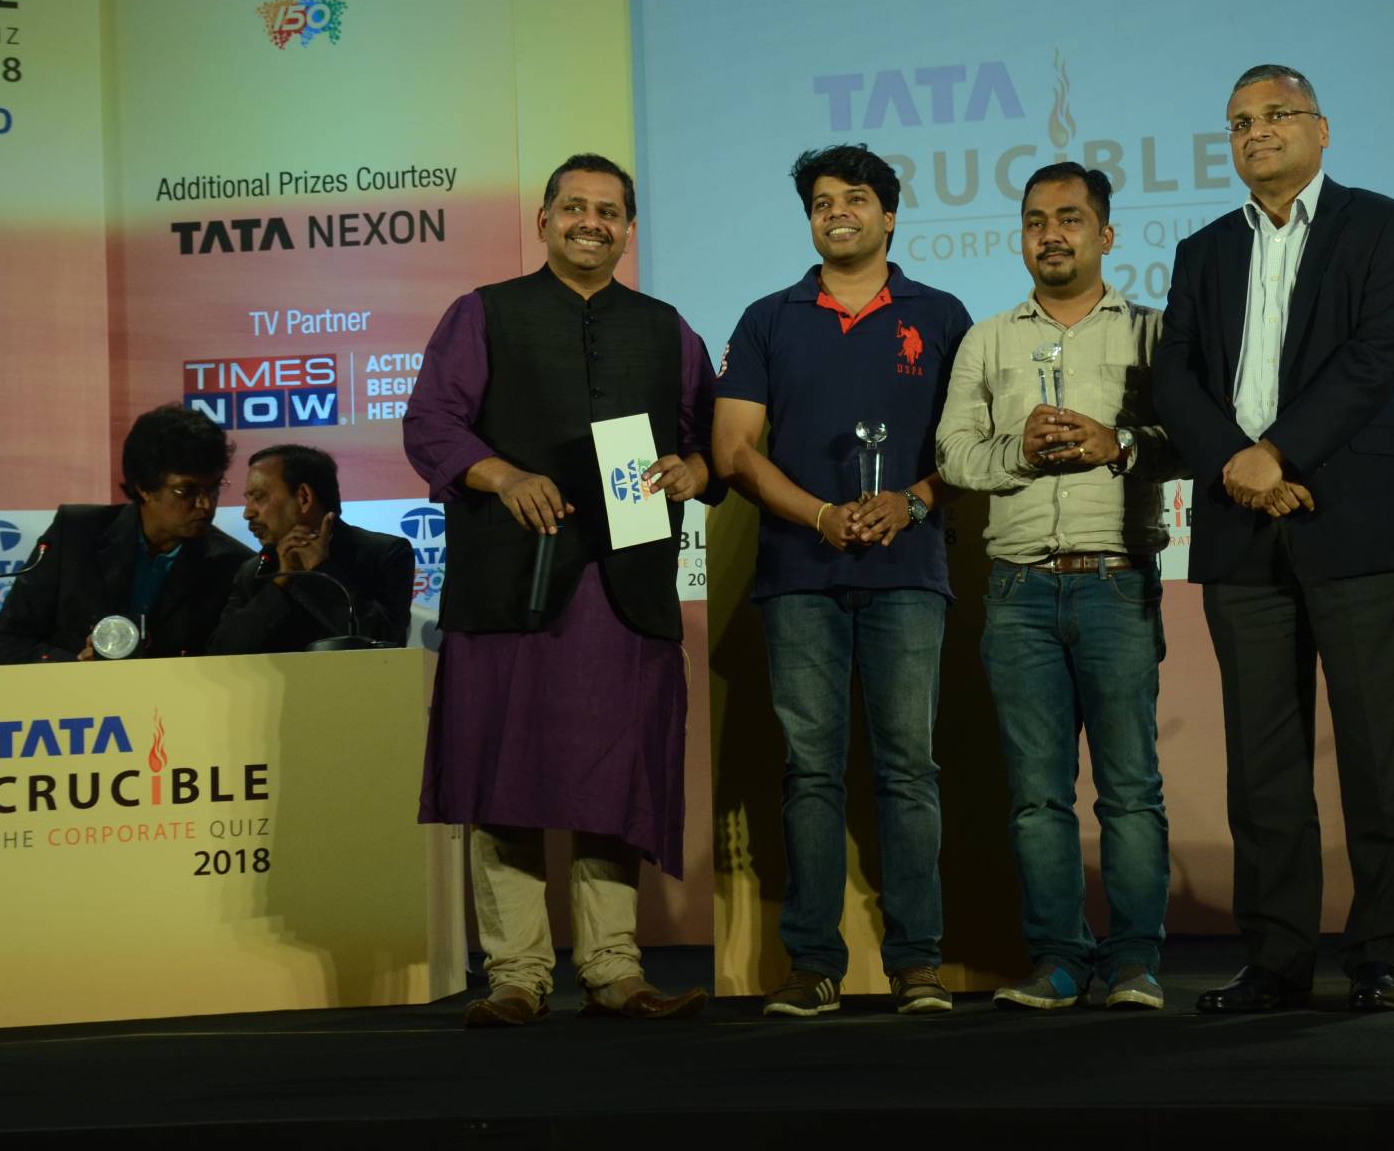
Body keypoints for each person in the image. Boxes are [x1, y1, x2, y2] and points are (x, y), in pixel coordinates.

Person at [1152, 65, 1394, 1012]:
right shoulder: (1203, 251)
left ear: (1322, 128)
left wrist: (1276, 451)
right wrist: (1237, 464)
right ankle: (1276, 957)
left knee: (1381, 754)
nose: (1258, 132)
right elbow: (1174, 377)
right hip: (1241, 527)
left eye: (1277, 114)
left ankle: (1384, 954)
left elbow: (1382, 352)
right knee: (1263, 764)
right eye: (1240, 121)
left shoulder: (1382, 224)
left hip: (1356, 519)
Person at [403, 153, 719, 1027]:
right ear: (543, 220)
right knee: (504, 773)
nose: (591, 222)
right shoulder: (485, 313)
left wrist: (692, 471)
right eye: (574, 207)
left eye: (608, 211)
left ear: (629, 230)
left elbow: (708, 440)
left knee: (613, 777)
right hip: (512, 581)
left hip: (627, 590)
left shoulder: (667, 330)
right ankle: (516, 974)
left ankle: (615, 969)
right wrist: (501, 475)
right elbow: (430, 421)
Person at [712, 144, 972, 1018]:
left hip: (908, 572)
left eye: (855, 198)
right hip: (799, 576)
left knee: (909, 771)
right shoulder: (768, 319)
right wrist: (822, 515)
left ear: (889, 216)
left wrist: (912, 501)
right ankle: (813, 965)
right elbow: (732, 449)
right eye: (822, 202)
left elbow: (970, 446)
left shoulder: (941, 315)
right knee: (811, 772)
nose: (838, 213)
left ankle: (918, 963)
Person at [936, 162, 1181, 1011]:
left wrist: (1119, 443)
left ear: (1105, 234)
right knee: (1038, 797)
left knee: (1130, 790)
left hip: (1117, 581)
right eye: (1036, 220)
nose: (1051, 234)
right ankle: (1059, 959)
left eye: (1070, 218)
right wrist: (1018, 451)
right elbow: (952, 454)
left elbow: (1193, 438)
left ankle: (1136, 961)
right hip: (1018, 591)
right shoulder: (988, 339)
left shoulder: (1154, 332)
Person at [0, 404, 249, 664]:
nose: (206, 504)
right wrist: (75, 666)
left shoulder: (233, 564)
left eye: (214, 487)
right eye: (185, 491)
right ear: (144, 487)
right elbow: (4, 644)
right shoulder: (75, 534)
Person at [207, 444, 413, 653]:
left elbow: (386, 641)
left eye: (259, 497)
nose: (247, 513)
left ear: (304, 497)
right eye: (248, 499)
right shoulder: (254, 571)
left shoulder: (384, 554)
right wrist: (279, 585)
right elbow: (221, 652)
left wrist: (320, 571)